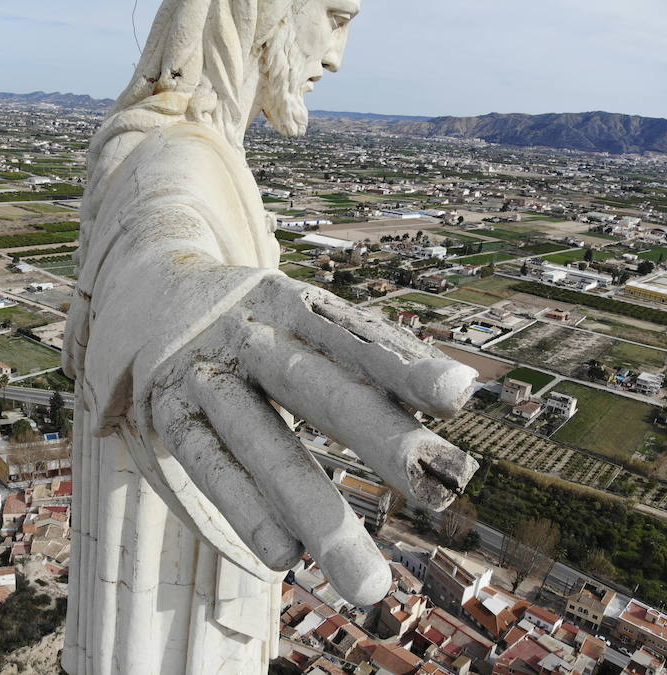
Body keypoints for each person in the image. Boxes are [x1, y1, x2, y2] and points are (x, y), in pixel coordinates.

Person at [62, 1, 479, 673]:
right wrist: (177, 301)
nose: (337, 55)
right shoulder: (172, 151)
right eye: (334, 15)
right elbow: (157, 227)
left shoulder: (209, 150)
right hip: (163, 614)